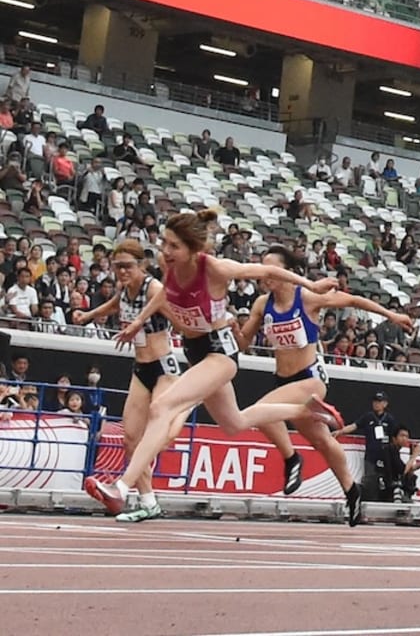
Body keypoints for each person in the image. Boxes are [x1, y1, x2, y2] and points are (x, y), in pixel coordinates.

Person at [82, 209, 333, 516]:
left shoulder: (215, 268)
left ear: (192, 249)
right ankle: (307, 410)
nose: (166, 251)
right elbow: (163, 297)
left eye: (174, 246)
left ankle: (120, 487)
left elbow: (267, 272)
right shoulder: (167, 265)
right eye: (164, 243)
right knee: (234, 423)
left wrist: (311, 286)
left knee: (162, 408)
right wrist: (139, 321)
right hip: (194, 351)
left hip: (220, 353)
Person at [234, 244, 412, 526]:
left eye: (271, 268)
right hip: (284, 379)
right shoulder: (261, 304)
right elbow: (243, 344)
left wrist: (393, 316)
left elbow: (352, 301)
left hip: (310, 379)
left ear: (287, 272)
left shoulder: (306, 297)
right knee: (321, 441)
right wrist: (232, 327)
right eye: (262, 268)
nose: (264, 274)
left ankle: (292, 459)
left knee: (261, 411)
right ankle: (353, 492)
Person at [70, 242, 176, 522]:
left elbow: (167, 300)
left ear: (141, 265)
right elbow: (116, 304)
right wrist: (89, 315)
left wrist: (139, 322)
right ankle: (148, 502)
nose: (122, 271)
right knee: (131, 439)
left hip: (164, 367)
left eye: (128, 266)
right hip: (141, 368)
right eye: (118, 267)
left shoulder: (152, 287)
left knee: (158, 427)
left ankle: (179, 416)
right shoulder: (125, 289)